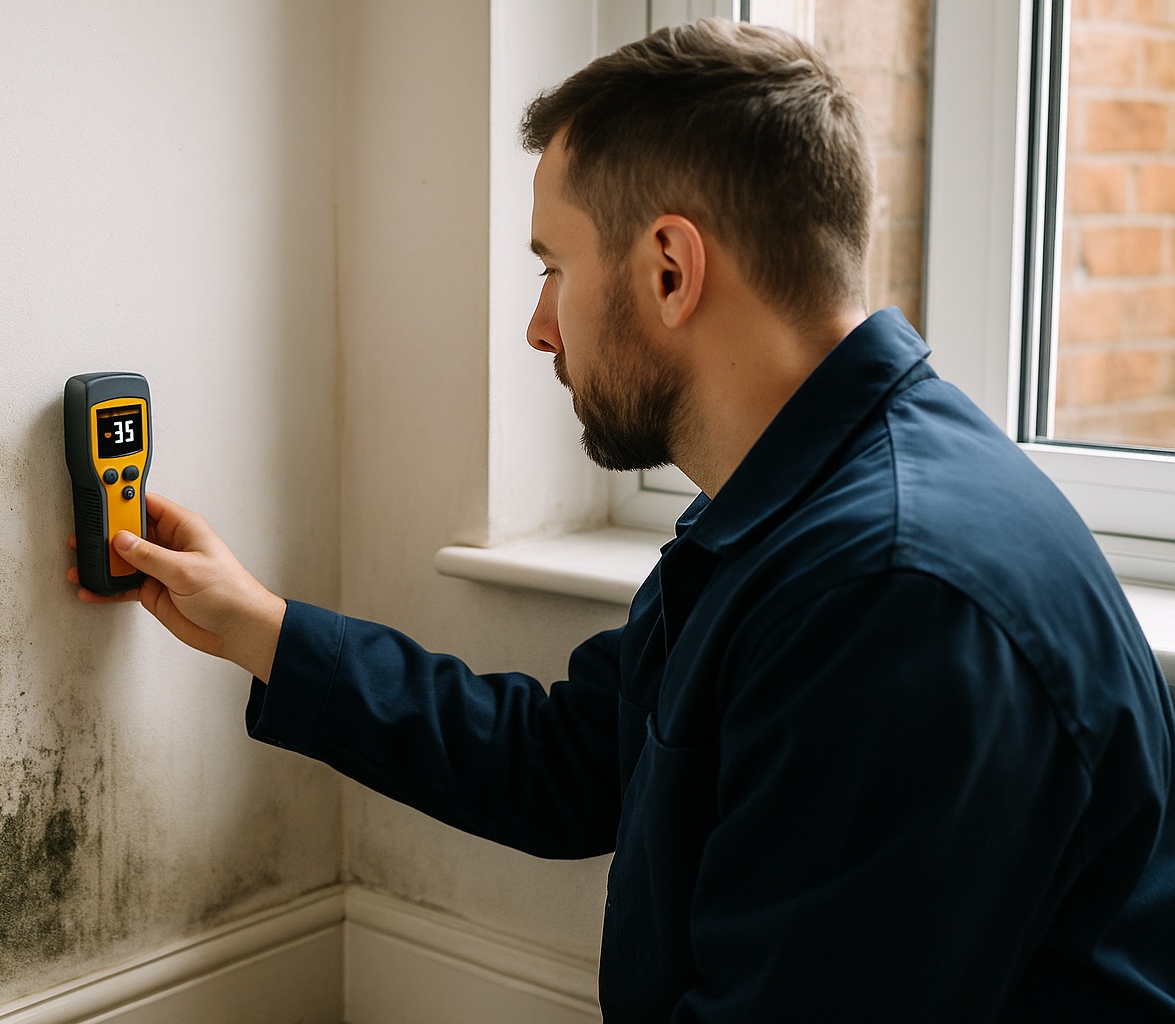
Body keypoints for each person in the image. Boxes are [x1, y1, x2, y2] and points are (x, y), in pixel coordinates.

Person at [70, 19, 1175, 1022]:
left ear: (669, 268)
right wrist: (262, 627)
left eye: (553, 268)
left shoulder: (891, 597)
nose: (541, 327)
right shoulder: (794, 499)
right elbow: (571, 758)